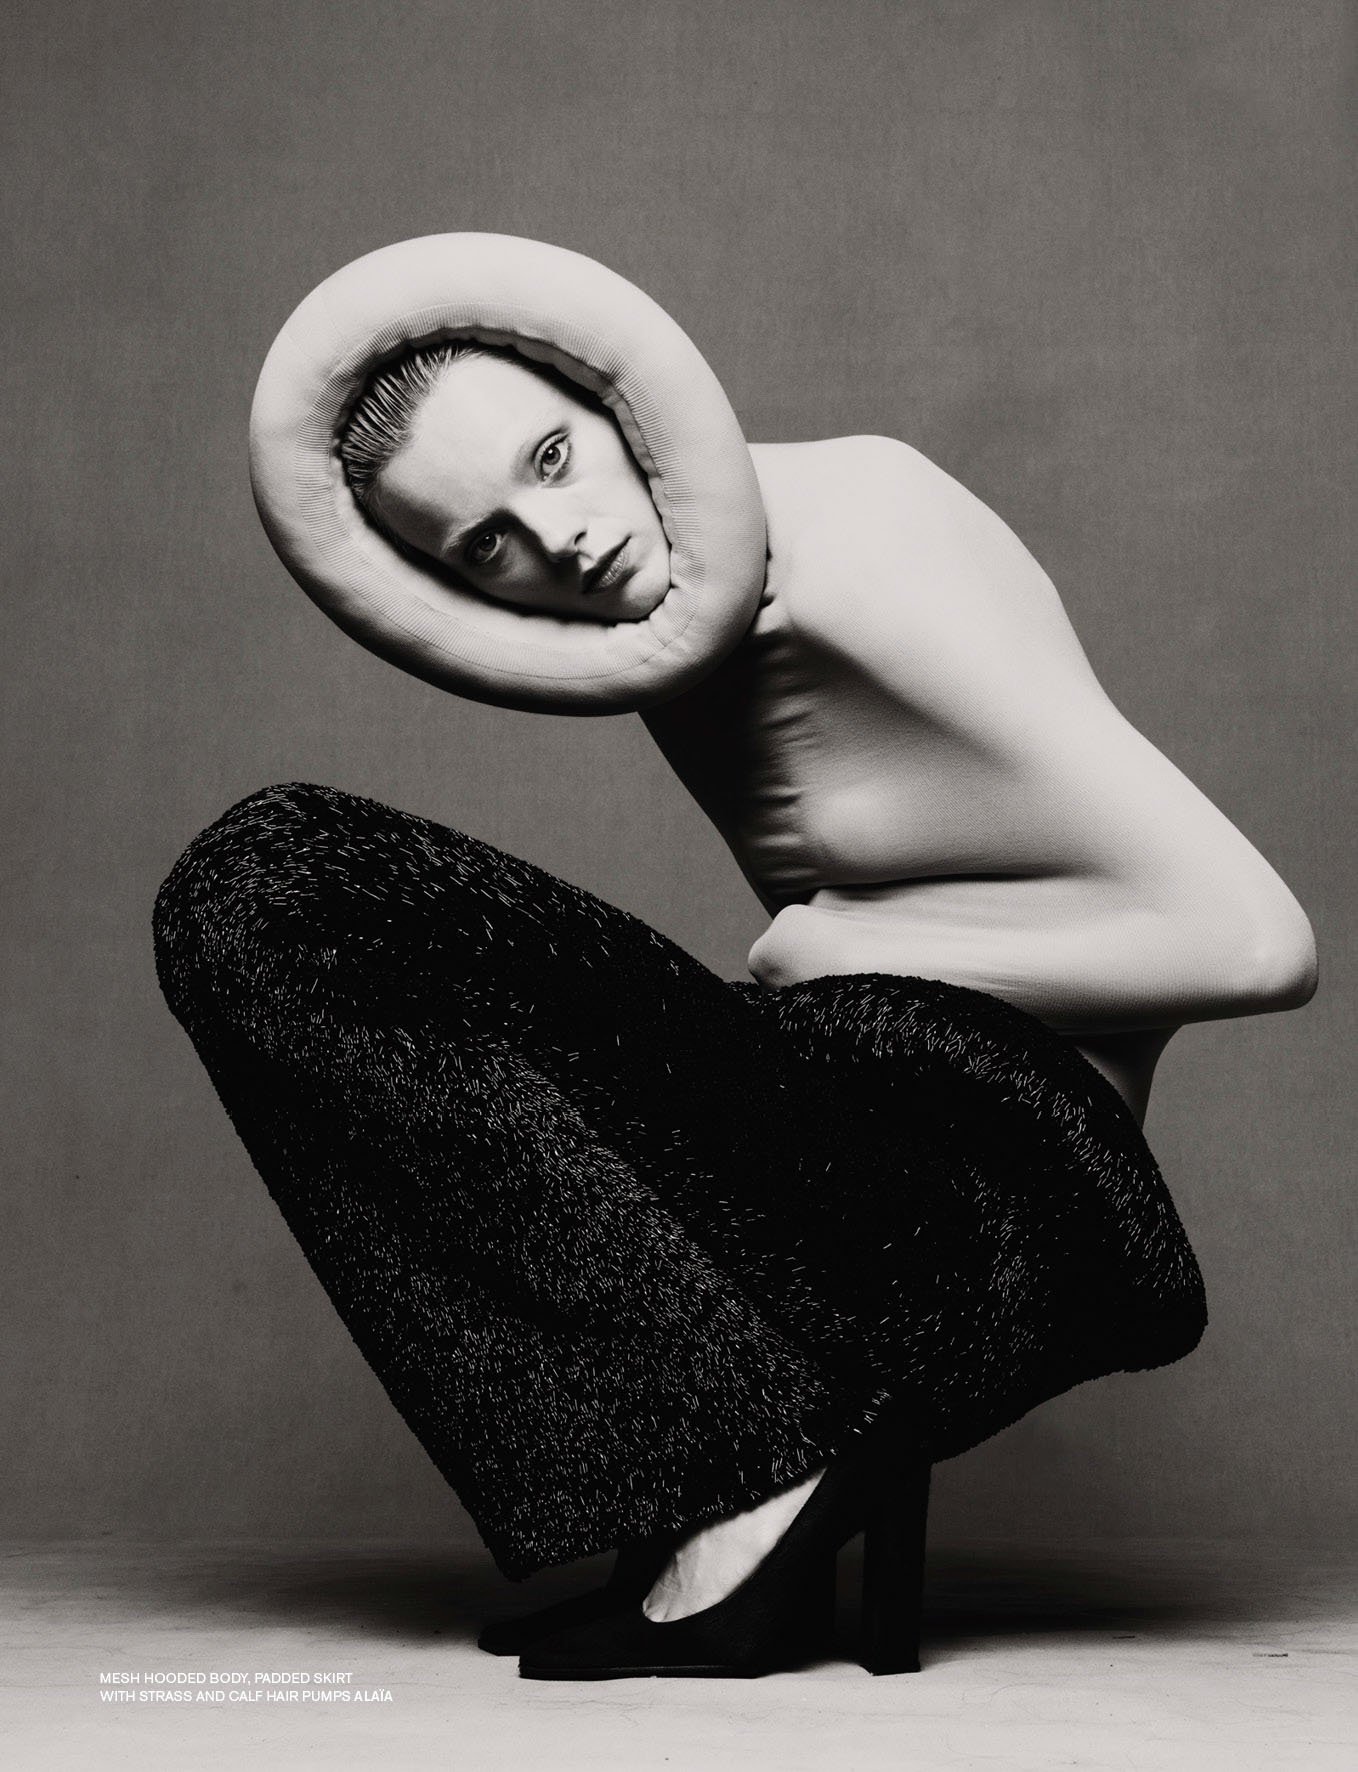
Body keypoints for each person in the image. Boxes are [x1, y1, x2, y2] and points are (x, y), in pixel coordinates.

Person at [154, 242, 1317, 1681]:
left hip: (994, 1189)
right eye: (488, 547)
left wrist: (843, 943)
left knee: (277, 879)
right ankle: (721, 1482)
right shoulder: (681, 623)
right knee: (289, 922)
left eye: (550, 457)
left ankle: (759, 1488)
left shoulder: (853, 537)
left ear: (612, 397)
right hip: (887, 1143)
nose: (562, 539)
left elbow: (1253, 939)